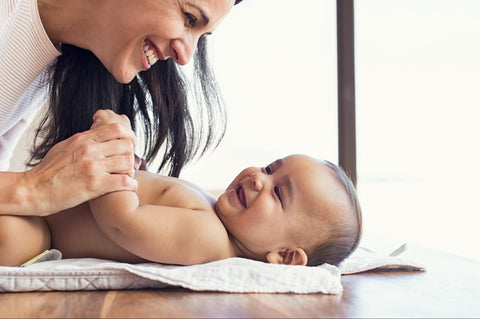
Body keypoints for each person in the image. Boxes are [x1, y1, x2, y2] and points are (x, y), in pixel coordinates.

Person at [0, 0, 243, 217]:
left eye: (201, 36)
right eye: (189, 18)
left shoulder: (50, 60)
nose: (186, 57)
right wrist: (33, 188)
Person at [0, 152, 362, 267]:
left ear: (284, 256)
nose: (257, 179)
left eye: (278, 194)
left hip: (43, 229)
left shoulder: (210, 239)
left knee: (11, 236)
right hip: (46, 203)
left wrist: (115, 158)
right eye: (270, 168)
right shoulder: (213, 212)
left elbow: (122, 222)